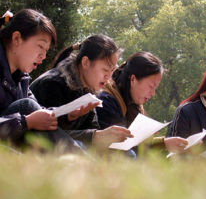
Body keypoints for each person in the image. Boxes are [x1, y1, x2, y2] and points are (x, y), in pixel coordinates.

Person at [0, 9, 91, 152]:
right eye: (40, 46)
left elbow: (40, 112)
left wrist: (67, 115)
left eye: (46, 50)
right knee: (26, 106)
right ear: (17, 38)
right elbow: (31, 113)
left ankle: (79, 162)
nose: (43, 56)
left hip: (12, 145)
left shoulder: (22, 78)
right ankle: (81, 163)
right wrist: (26, 122)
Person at [30, 34, 133, 152]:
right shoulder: (52, 84)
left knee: (126, 153)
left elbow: (91, 128)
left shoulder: (88, 88)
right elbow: (50, 134)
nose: (108, 77)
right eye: (105, 70)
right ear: (85, 62)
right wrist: (96, 136)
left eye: (112, 71)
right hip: (35, 147)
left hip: (68, 147)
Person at [97, 51, 188, 154]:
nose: (153, 93)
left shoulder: (134, 106)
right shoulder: (106, 102)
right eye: (151, 86)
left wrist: (164, 143)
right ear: (133, 79)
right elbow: (119, 150)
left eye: (155, 88)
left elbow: (135, 145)